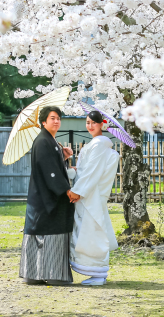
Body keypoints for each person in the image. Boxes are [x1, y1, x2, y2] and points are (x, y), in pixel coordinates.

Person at [20, 105, 80, 286]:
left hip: (45, 197)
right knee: (49, 232)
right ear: (44, 121)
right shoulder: (43, 141)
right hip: (46, 198)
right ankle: (54, 274)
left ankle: (34, 274)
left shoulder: (50, 141)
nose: (57, 121)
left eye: (58, 118)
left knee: (42, 232)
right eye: (52, 118)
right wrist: (66, 190)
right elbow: (49, 171)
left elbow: (53, 165)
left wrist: (63, 157)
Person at [68, 110, 121, 286]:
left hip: (90, 194)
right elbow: (87, 169)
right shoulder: (97, 144)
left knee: (91, 231)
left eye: (94, 123)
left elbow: (92, 172)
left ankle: (97, 272)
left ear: (102, 125)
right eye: (88, 122)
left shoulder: (98, 144)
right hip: (90, 194)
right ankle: (96, 272)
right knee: (91, 230)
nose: (90, 126)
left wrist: (77, 191)